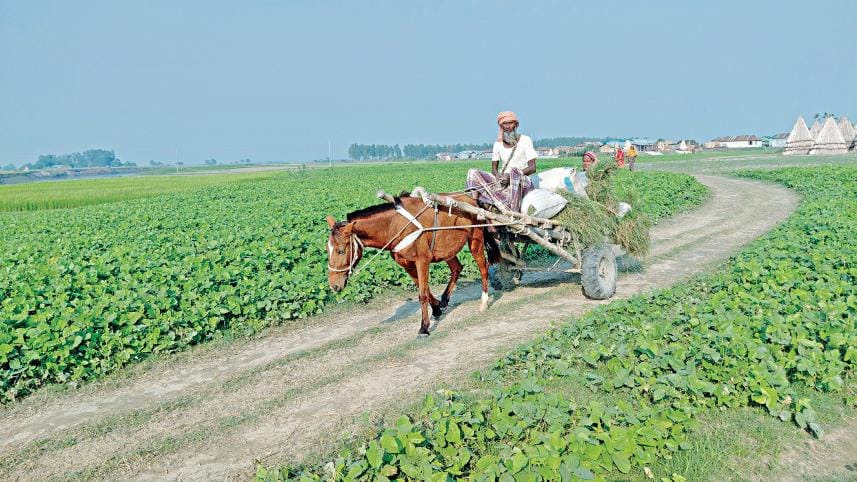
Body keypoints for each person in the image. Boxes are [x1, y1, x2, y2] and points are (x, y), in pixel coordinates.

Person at [466, 111, 537, 212]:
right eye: (505, 123)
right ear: (501, 126)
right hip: (503, 180)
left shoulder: (525, 140)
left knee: (513, 173)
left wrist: (511, 176)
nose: (508, 126)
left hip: (520, 179)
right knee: (472, 172)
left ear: (516, 125)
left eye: (510, 123)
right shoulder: (497, 144)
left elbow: (532, 168)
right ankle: (477, 206)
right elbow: (494, 170)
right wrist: (498, 176)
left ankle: (512, 211)